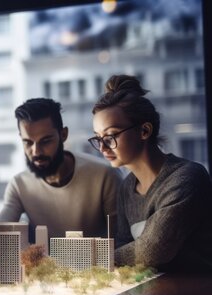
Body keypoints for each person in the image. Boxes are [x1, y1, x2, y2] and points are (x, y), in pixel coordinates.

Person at [90, 74, 212, 272]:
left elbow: (153, 249)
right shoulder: (126, 188)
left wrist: (89, 258)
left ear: (144, 131)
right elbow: (123, 245)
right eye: (98, 138)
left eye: (110, 136)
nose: (103, 147)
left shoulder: (187, 178)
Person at [0, 98, 121, 242]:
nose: (36, 152)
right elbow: (0, 233)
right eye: (28, 142)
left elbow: (121, 239)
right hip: (43, 265)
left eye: (46, 141)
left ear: (63, 135)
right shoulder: (19, 185)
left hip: (97, 263)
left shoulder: (105, 176)